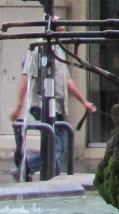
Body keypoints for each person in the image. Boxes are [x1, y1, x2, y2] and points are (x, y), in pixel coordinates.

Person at [11, 48, 96, 179]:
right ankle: (28, 170)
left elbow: (67, 79)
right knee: (54, 148)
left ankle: (35, 172)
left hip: (59, 107)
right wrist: (18, 107)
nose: (63, 27)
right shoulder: (37, 51)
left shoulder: (59, 50)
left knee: (59, 147)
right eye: (61, 26)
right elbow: (25, 78)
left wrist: (84, 102)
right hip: (42, 105)